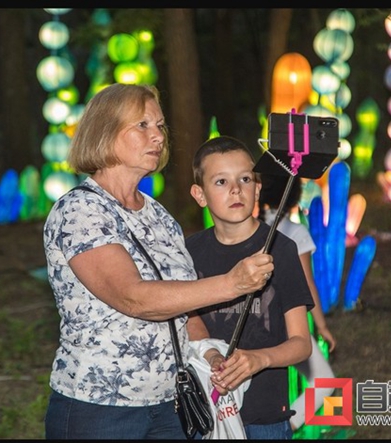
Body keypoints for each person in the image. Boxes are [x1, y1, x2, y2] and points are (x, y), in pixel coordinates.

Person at [42, 84, 274, 440]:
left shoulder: (159, 215)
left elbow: (182, 300)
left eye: (161, 126)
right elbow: (134, 298)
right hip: (100, 408)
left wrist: (211, 354)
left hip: (171, 403)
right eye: (143, 126)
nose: (158, 137)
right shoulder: (79, 211)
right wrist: (232, 284)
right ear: (105, 131)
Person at [185, 135, 313, 440]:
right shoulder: (189, 252)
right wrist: (213, 356)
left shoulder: (281, 249)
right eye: (220, 182)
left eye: (244, 178)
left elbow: (301, 343)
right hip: (206, 408)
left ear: (257, 187)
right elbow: (189, 319)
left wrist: (260, 359)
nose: (235, 189)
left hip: (265, 414)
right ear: (199, 194)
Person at [258, 173, 337, 433]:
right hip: (289, 323)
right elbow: (308, 284)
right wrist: (322, 326)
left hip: (255, 321)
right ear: (292, 196)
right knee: (324, 380)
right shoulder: (294, 231)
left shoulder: (252, 228)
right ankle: (286, 428)